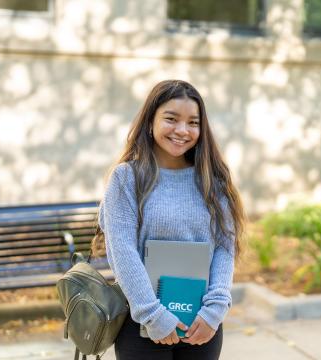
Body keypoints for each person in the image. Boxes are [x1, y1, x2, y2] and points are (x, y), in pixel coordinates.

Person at [96, 79, 245, 360]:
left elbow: (225, 247)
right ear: (150, 121)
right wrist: (153, 315)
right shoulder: (127, 178)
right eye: (171, 119)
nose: (182, 130)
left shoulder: (213, 181)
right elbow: (122, 251)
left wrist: (215, 309)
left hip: (202, 325)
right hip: (142, 324)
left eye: (193, 122)